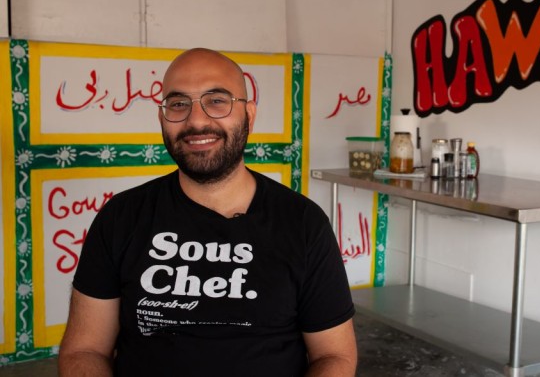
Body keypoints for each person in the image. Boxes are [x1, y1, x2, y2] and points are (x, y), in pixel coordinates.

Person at [58, 48, 357, 376]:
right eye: (178, 104)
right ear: (162, 119)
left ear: (250, 116)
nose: (197, 121)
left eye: (217, 100)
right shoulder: (120, 217)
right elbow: (85, 350)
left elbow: (334, 357)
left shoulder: (303, 223)